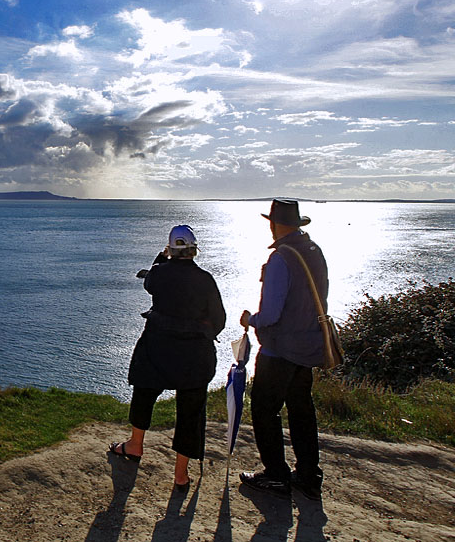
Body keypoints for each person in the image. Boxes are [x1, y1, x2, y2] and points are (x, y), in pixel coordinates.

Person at [109, 225, 226, 489]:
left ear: (171, 249)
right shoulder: (205, 279)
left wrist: (161, 257)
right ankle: (180, 474)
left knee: (144, 390)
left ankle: (135, 445)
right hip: (194, 356)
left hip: (158, 348)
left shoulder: (160, 274)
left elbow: (149, 283)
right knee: (191, 411)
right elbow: (219, 320)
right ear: (194, 250)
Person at [239, 199, 328, 501]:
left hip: (279, 351)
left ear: (273, 224)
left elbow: (272, 313)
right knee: (302, 409)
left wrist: (251, 320)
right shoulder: (313, 252)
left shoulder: (281, 258)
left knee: (265, 408)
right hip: (308, 346)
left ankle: (276, 474)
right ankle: (308, 474)